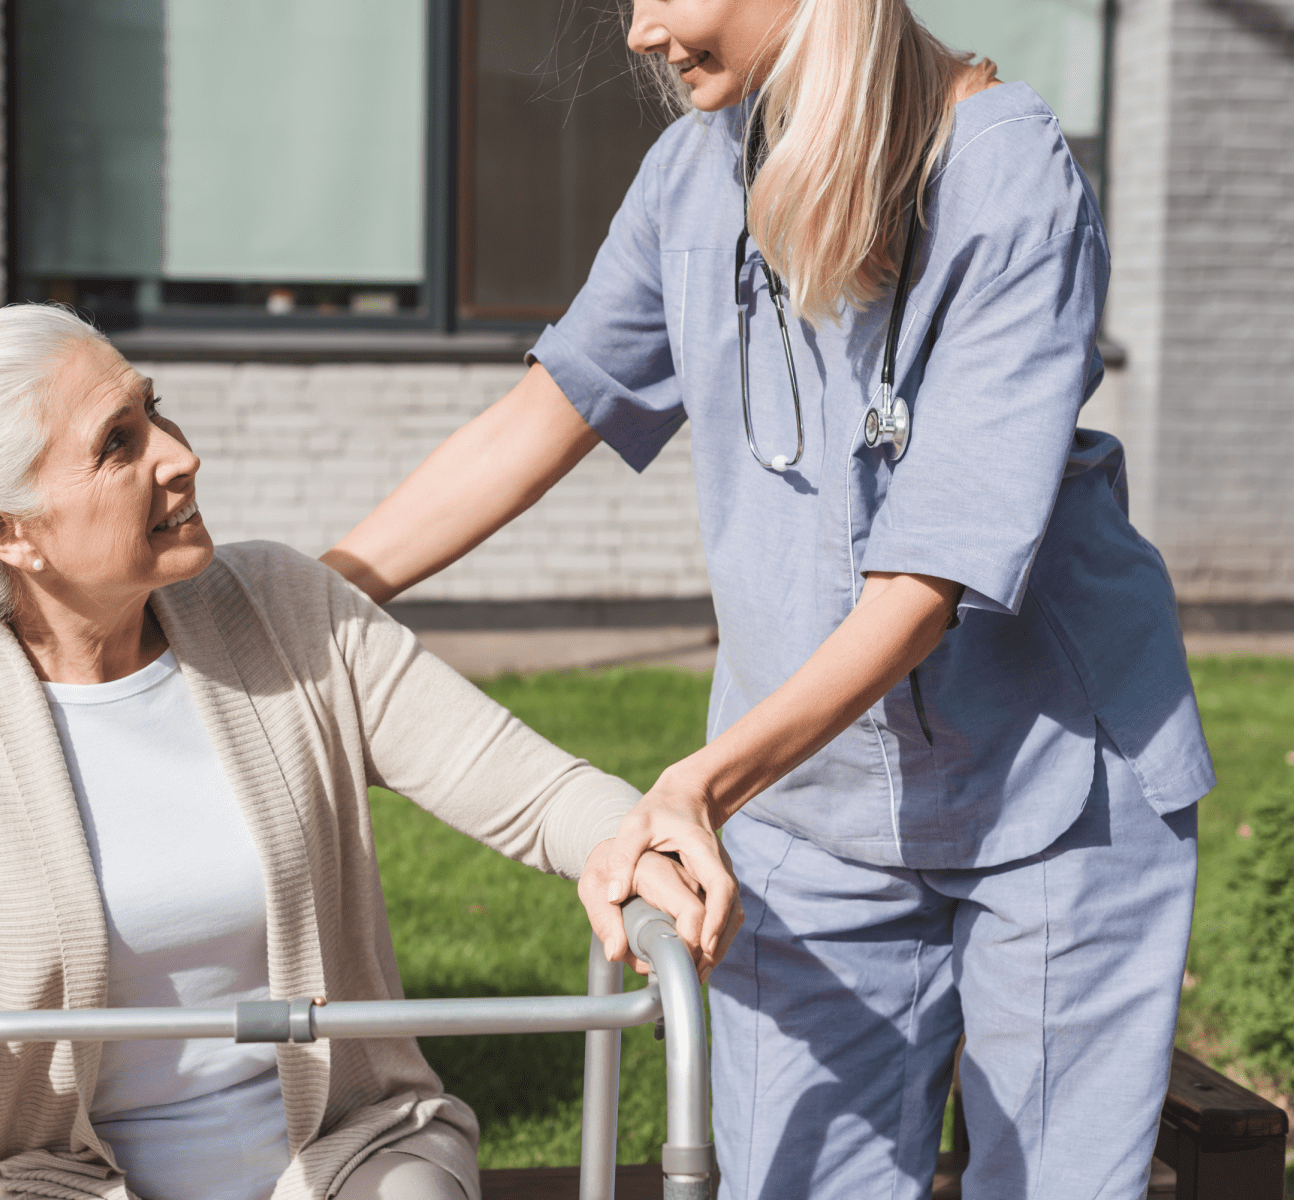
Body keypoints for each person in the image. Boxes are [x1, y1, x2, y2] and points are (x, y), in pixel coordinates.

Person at [320, 2, 1214, 1197]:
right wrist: (302, 601)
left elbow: (924, 584)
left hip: (1053, 785)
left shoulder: (1007, 176)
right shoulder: (694, 170)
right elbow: (552, 410)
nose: (638, 31)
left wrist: (701, 783)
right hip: (806, 807)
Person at [0, 305, 718, 1200]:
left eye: (155, 412)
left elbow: (540, 791)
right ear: (9, 532)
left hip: (347, 1158)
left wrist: (632, 841)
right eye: (117, 445)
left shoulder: (283, 607)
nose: (181, 457)